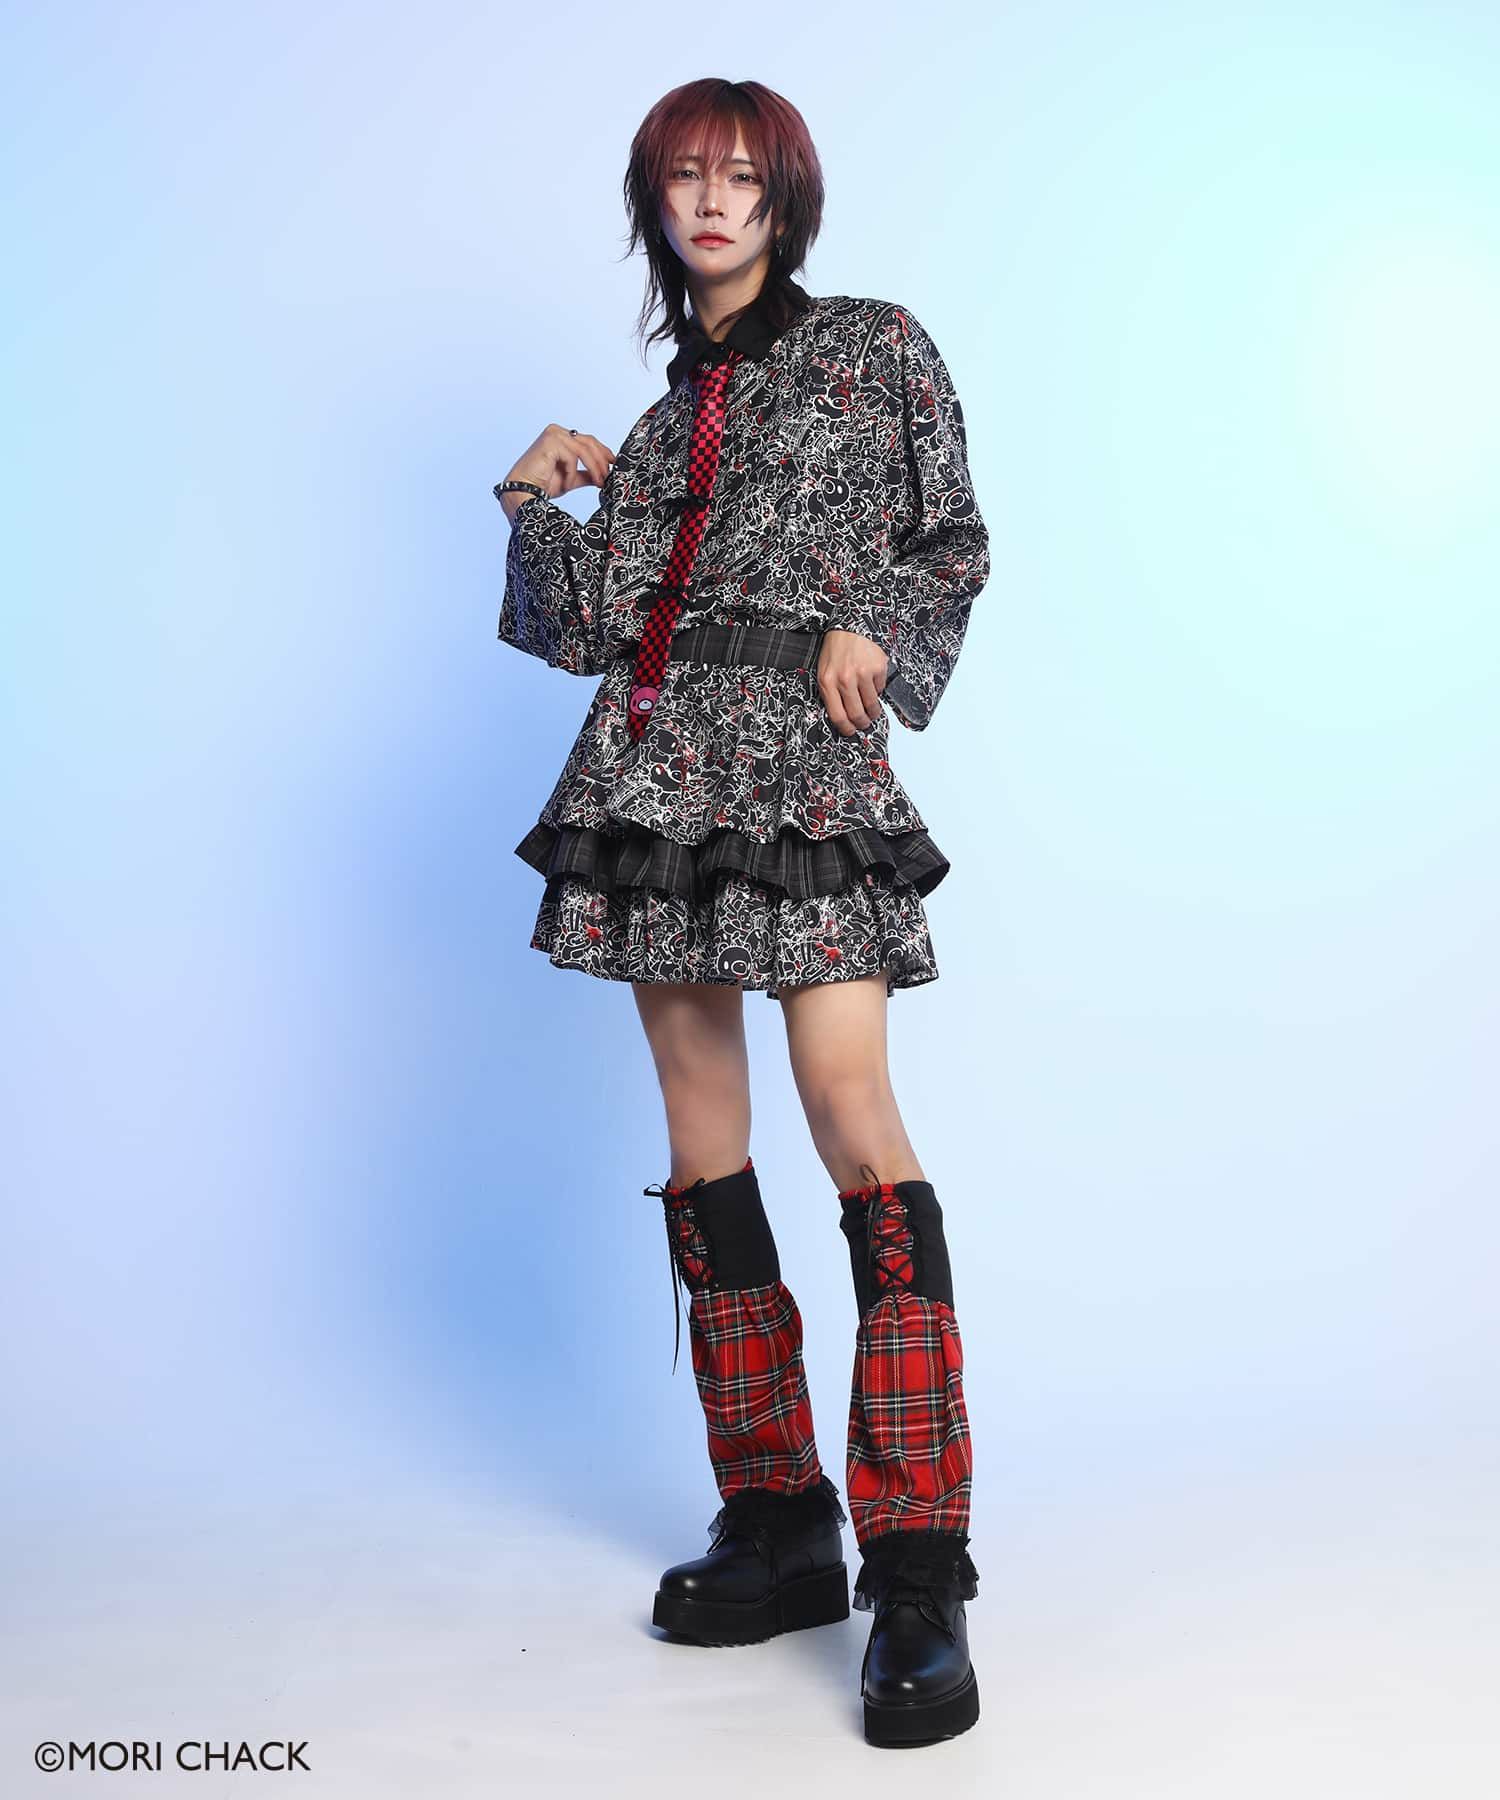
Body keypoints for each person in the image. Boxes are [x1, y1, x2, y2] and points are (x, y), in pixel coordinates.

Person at [493, 77, 989, 1748]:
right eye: (686, 179)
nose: (713, 202)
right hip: (658, 776)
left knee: (852, 1110)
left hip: (809, 767)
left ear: (785, 201)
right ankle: (777, 1520)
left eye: (741, 177)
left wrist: (874, 631)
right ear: (658, 205)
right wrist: (531, 506)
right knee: (702, 1134)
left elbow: (950, 538)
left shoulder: (873, 346)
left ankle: (916, 1560)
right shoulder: (652, 433)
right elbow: (584, 635)